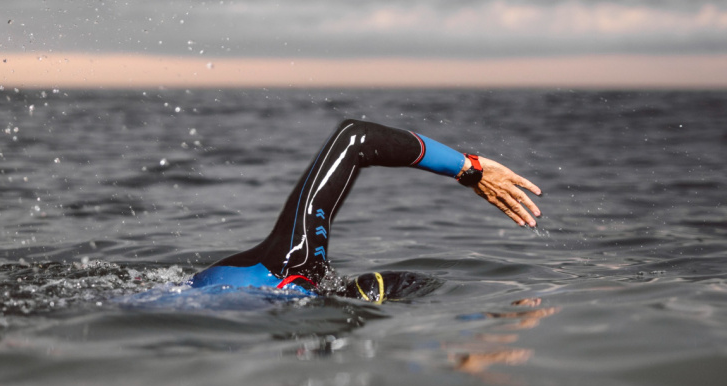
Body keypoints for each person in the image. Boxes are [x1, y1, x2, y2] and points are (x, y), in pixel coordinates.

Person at [190, 119, 542, 302]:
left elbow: (358, 139)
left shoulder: (295, 262)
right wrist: (472, 170)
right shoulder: (297, 269)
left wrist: (468, 168)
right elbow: (354, 135)